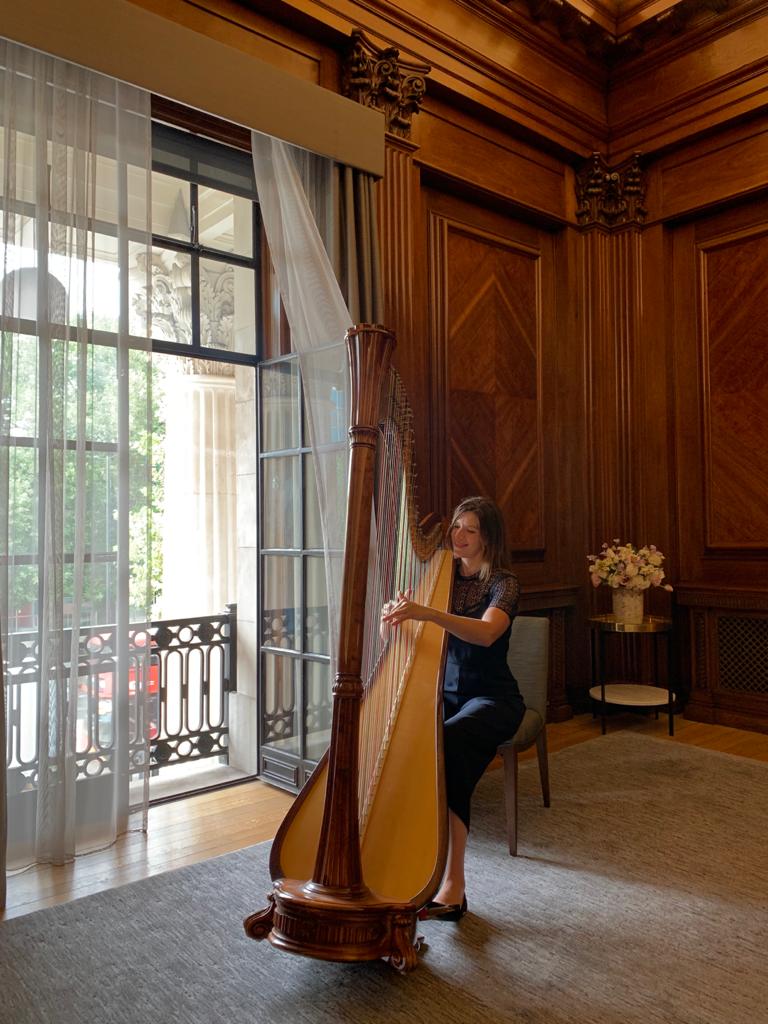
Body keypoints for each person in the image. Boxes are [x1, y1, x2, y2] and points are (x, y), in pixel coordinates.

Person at [381, 495, 524, 920]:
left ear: (488, 538)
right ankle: (410, 864)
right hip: (442, 695)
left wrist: (426, 612)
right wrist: (395, 618)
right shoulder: (440, 577)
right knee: (408, 741)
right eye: (456, 526)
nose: (457, 535)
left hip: (492, 697)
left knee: (452, 743)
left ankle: (453, 883)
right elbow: (413, 644)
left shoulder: (504, 584)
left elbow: (485, 634)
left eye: (470, 529)